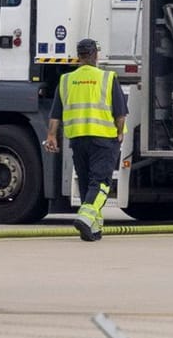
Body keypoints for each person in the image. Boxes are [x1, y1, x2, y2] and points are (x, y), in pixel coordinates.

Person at [43, 38, 127, 241]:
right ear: (95, 55)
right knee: (101, 183)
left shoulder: (66, 80)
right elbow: (120, 113)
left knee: (86, 183)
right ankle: (86, 217)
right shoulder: (107, 77)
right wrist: (120, 131)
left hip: (78, 139)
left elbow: (56, 113)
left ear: (78, 56)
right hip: (104, 139)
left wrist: (52, 136)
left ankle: (93, 229)